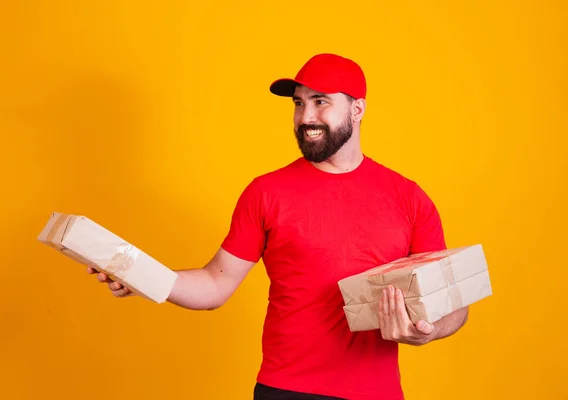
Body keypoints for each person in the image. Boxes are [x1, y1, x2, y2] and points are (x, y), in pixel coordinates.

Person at [87, 53, 469, 400]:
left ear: (357, 109)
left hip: (377, 394)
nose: (306, 118)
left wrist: (429, 330)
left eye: (321, 102)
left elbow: (454, 303)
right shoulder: (266, 192)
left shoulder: (407, 197)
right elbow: (216, 283)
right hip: (287, 391)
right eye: (299, 104)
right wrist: (147, 277)